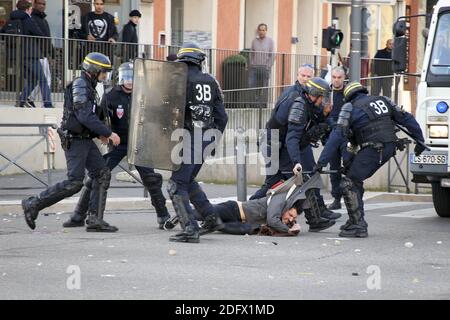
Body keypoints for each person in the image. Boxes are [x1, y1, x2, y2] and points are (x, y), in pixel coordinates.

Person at [62, 62, 171, 230]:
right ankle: (78, 215)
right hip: (118, 142)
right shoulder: (110, 96)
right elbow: (99, 118)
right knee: (96, 177)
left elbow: (153, 117)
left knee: (151, 179)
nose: (129, 82)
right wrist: (105, 134)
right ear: (119, 78)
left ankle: (163, 217)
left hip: (139, 143)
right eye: (126, 77)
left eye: (132, 78)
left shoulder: (144, 94)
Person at [22, 52, 121, 232]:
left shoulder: (90, 85)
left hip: (85, 139)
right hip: (75, 140)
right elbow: (83, 115)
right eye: (103, 72)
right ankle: (33, 203)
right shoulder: (80, 84)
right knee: (74, 182)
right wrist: (108, 133)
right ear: (94, 70)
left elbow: (87, 116)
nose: (105, 76)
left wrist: (99, 134)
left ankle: (94, 219)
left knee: (101, 173)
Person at [315, 82, 425, 238]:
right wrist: (420, 140)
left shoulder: (349, 108)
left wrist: (321, 162)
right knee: (353, 176)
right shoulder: (383, 100)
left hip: (374, 148)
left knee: (349, 182)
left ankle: (358, 225)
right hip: (388, 147)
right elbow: (407, 119)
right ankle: (356, 220)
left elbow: (336, 137)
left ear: (348, 97)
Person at [251, 77, 341, 221]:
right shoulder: (298, 104)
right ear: (314, 94)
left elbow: (315, 120)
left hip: (279, 145)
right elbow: (292, 137)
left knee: (282, 183)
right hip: (274, 145)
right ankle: (246, 209)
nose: (324, 101)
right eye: (323, 97)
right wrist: (296, 162)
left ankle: (314, 219)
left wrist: (326, 117)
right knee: (283, 183)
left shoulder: (306, 102)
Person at [166, 43, 229, 243]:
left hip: (186, 138)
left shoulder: (179, 79)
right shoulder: (212, 81)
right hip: (205, 138)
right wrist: (212, 139)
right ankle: (211, 218)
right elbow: (222, 117)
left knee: (176, 185)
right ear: (199, 61)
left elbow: (168, 110)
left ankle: (190, 229)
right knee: (188, 181)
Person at [250, 64, 314, 200]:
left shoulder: (297, 94)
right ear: (297, 76)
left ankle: (260, 207)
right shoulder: (295, 96)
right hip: (273, 141)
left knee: (278, 180)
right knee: (274, 182)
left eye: (309, 76)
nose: (305, 79)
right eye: (303, 75)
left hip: (275, 142)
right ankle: (250, 206)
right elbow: (279, 121)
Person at [211, 173, 336, 236]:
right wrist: (289, 230)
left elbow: (275, 224)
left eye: (293, 218)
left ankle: (204, 226)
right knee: (200, 214)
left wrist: (293, 226)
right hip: (233, 209)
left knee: (220, 226)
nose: (290, 219)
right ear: (289, 207)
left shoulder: (283, 211)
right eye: (291, 215)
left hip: (240, 221)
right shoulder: (281, 200)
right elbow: (272, 220)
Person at [8, 0, 53, 108]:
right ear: (28, 9)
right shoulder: (28, 19)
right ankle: (47, 103)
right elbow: (40, 34)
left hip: (18, 55)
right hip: (31, 54)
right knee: (43, 79)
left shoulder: (11, 20)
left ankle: (21, 101)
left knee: (32, 80)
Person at [326, 66, 347, 210]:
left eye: (339, 77)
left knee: (350, 167)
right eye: (334, 77)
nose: (336, 80)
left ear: (344, 78)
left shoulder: (349, 93)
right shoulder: (327, 92)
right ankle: (336, 198)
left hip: (347, 135)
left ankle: (351, 197)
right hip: (332, 136)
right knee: (333, 169)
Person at [28, 0, 54, 108]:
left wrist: (51, 54)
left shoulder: (44, 20)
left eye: (44, 4)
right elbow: (41, 38)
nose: (42, 6)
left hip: (42, 54)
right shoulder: (32, 19)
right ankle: (46, 103)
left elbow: (48, 39)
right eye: (40, 3)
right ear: (34, 4)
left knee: (39, 79)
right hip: (37, 54)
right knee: (45, 79)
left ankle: (28, 98)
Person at [249, 23, 274, 107]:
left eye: (263, 30)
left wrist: (268, 66)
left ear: (266, 31)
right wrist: (251, 63)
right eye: (260, 30)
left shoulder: (270, 41)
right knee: (251, 85)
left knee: (265, 87)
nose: (261, 32)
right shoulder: (254, 41)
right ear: (258, 31)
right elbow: (251, 54)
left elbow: (272, 55)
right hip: (254, 68)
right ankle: (254, 104)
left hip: (265, 68)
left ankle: (263, 105)